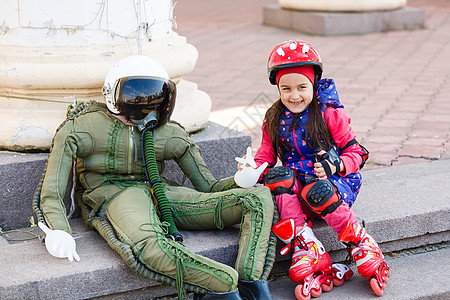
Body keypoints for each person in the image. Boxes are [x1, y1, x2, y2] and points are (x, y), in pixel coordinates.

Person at [33, 55, 277, 300]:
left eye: (154, 98)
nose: (145, 105)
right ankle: (222, 285)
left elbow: (209, 186)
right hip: (115, 197)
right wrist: (58, 229)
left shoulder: (168, 134)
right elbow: (52, 192)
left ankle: (253, 285)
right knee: (150, 246)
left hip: (160, 192)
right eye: (136, 96)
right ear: (112, 95)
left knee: (257, 197)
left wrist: (240, 181)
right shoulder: (83, 128)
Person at [240, 40, 390, 299]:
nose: (294, 96)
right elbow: (267, 155)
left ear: (313, 83)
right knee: (277, 176)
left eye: (302, 87)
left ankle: (363, 243)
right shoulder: (273, 118)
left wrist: (336, 165)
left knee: (316, 189)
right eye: (286, 88)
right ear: (277, 88)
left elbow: (357, 152)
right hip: (298, 191)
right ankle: (306, 245)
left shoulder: (329, 113)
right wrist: (252, 167)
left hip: (333, 187)